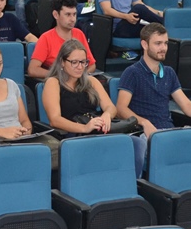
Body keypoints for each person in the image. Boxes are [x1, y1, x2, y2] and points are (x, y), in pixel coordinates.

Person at [115, 23, 191, 168]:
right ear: (144, 44)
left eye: (165, 43)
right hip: (145, 134)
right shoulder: (132, 73)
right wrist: (144, 122)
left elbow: (186, 105)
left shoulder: (169, 72)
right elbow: (120, 108)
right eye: (158, 43)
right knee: (186, 155)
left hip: (170, 132)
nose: (163, 48)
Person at [41, 39, 147, 174]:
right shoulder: (53, 82)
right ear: (62, 62)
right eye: (74, 62)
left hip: (97, 128)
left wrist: (107, 115)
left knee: (137, 144)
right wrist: (85, 128)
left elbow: (111, 107)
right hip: (73, 133)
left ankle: (130, 182)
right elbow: (54, 119)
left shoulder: (91, 81)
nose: (80, 67)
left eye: (83, 62)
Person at [29, 0, 96, 78]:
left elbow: (92, 65)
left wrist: (79, 76)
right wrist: (62, 76)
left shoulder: (79, 34)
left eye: (74, 14)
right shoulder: (46, 38)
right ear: (56, 15)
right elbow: (33, 70)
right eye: (68, 14)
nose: (73, 19)